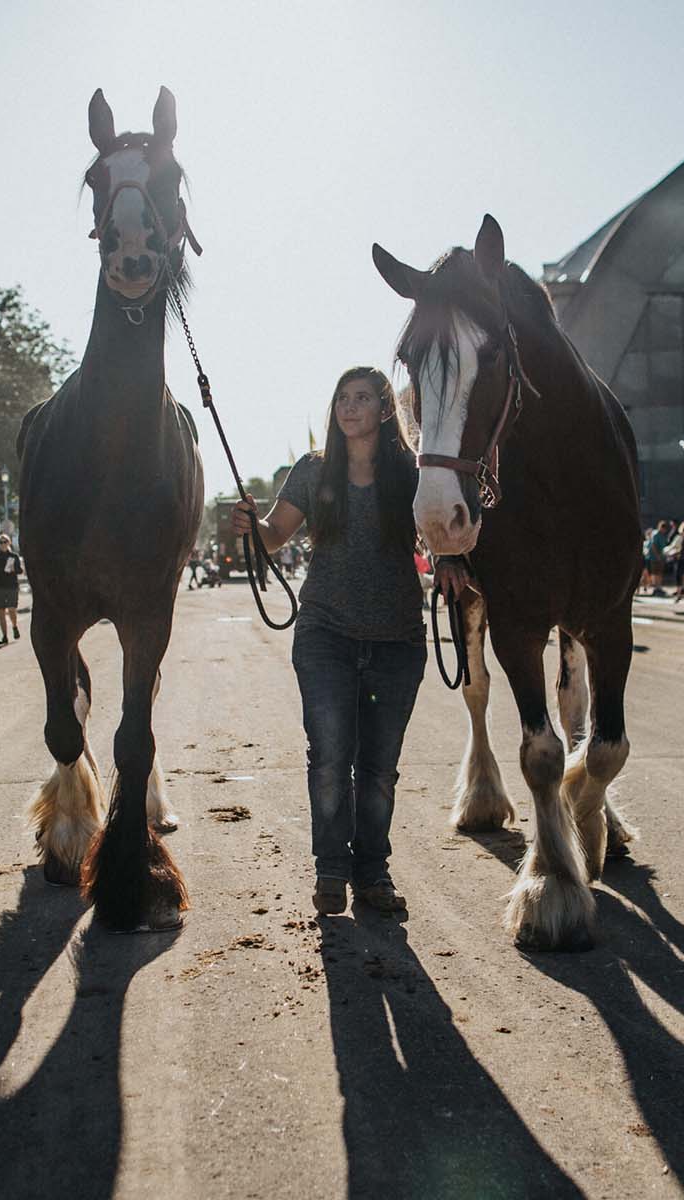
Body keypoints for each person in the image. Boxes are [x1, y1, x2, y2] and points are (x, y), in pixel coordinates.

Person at [229, 366, 425, 917]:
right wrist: (251, 523)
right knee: (332, 759)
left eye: (362, 398)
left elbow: (440, 529)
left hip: (397, 639)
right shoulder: (313, 472)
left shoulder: (410, 472)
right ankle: (331, 870)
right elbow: (274, 534)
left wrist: (456, 563)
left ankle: (374, 874)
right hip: (325, 635)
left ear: (385, 410)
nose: (349, 407)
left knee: (380, 767)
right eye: (342, 397)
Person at [0, 534, 23, 644]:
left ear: (9, 543)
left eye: (5, 542)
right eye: (1, 542)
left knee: (11, 609)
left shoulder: (14, 556)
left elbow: (20, 571)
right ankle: (4, 636)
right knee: (1, 611)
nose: (3, 544)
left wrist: (14, 568)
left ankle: (14, 626)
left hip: (12, 586)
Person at [645, 520, 671, 597]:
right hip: (655, 558)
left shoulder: (662, 535)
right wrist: (657, 556)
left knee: (660, 572)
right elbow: (653, 545)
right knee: (655, 573)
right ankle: (656, 587)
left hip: (661, 557)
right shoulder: (656, 534)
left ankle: (659, 587)